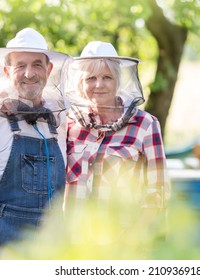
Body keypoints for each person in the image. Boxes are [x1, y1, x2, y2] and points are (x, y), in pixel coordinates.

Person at [0, 28, 71, 260]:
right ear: (7, 71)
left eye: (37, 64)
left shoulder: (59, 122)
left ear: (49, 70)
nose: (29, 73)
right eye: (20, 65)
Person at [63, 41, 170, 245]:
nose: (99, 85)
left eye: (107, 77)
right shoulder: (68, 124)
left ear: (118, 81)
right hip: (75, 245)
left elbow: (158, 193)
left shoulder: (145, 125)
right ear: (80, 84)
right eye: (91, 78)